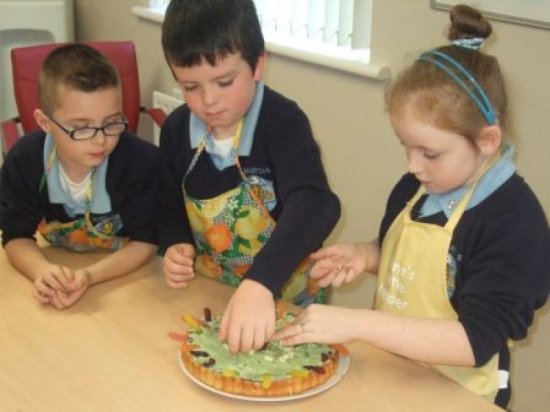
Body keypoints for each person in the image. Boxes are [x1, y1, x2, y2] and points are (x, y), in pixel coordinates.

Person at [274, 5, 549, 408]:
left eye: (429, 153)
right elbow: (406, 254)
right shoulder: (417, 185)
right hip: (391, 375)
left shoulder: (515, 222)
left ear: (487, 140)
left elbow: (475, 340)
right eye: (405, 146)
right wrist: (367, 256)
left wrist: (356, 323)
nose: (412, 166)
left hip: (458, 394)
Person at [158, 0, 340, 354]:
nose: (208, 100)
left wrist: (260, 283)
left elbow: (316, 204)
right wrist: (174, 244)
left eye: (224, 81)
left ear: (258, 65)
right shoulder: (177, 129)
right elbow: (167, 205)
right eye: (190, 87)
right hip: (213, 295)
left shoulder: (282, 123)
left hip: (287, 303)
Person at [0, 44, 160, 310]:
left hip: (128, 283)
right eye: (81, 128)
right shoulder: (25, 160)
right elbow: (16, 237)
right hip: (59, 265)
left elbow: (147, 241)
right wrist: (42, 271)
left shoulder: (140, 163)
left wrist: (89, 277)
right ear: (45, 123)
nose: (100, 139)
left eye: (111, 122)